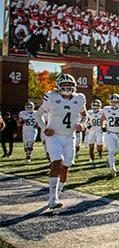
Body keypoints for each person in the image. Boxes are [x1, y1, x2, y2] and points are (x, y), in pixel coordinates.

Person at [35, 74, 87, 209]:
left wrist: (82, 124)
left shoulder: (79, 98)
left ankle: (57, 193)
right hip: (54, 136)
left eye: (69, 85)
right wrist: (44, 128)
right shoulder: (52, 97)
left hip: (70, 137)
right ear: (58, 86)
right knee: (57, 162)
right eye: (64, 85)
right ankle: (53, 199)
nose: (67, 88)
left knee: (66, 167)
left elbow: (84, 116)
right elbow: (38, 114)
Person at [100, 94, 119, 177]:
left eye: (116, 102)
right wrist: (103, 127)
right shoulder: (106, 109)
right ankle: (113, 168)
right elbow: (102, 119)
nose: (114, 103)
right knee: (111, 150)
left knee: (116, 150)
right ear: (110, 102)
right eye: (113, 102)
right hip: (110, 133)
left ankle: (110, 159)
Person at [85, 99, 104, 167]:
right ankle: (92, 160)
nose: (96, 107)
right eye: (94, 105)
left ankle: (100, 153)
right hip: (91, 131)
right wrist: (87, 125)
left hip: (99, 131)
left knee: (99, 146)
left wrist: (104, 126)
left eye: (97, 105)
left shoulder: (102, 112)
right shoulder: (89, 112)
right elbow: (85, 121)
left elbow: (106, 120)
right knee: (91, 146)